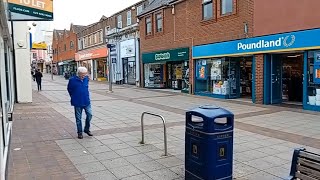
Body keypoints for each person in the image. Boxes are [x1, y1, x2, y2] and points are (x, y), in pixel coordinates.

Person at [67, 67, 93, 139]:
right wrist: (74, 96)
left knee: (90, 114)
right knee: (78, 118)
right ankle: (80, 132)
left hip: (86, 101)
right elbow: (69, 89)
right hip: (77, 102)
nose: (84, 76)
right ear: (78, 73)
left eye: (85, 74)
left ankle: (86, 129)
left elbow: (86, 87)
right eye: (82, 74)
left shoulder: (86, 79)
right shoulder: (72, 80)